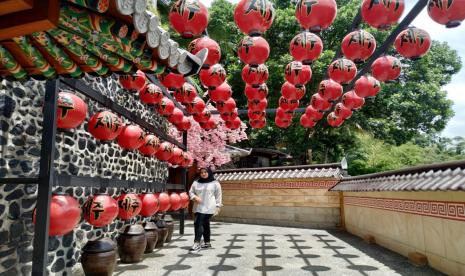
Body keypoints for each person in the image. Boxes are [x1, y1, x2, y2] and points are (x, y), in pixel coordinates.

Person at [188, 167, 222, 253]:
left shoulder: (215, 183)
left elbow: (218, 195)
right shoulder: (196, 183)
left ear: (209, 172)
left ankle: (197, 243)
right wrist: (194, 197)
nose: (203, 174)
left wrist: (218, 206)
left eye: (205, 172)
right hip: (198, 207)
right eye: (202, 172)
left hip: (209, 207)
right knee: (205, 224)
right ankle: (207, 243)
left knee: (198, 223)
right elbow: (191, 192)